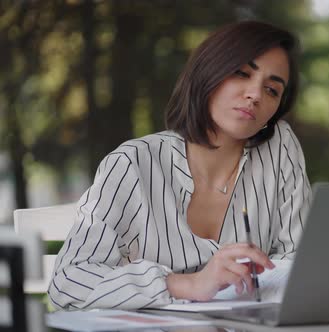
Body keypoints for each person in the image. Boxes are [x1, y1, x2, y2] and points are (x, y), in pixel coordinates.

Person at [48, 21, 312, 310]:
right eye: (241, 73)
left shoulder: (279, 147)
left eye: (272, 90)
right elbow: (67, 281)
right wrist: (188, 284)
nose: (256, 94)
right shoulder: (134, 164)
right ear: (208, 72)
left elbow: (300, 257)